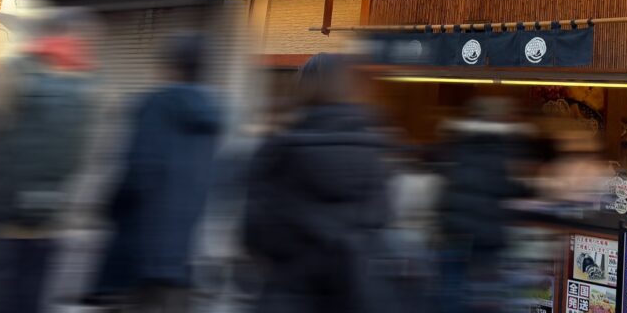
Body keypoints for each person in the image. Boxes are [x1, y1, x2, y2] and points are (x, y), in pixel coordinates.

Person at [242, 53, 396, 313]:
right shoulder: (373, 153)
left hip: (288, 296)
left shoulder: (280, 150)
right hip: (351, 295)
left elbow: (255, 233)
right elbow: (381, 219)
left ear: (302, 88)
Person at [88, 34, 224, 312]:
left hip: (141, 247)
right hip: (183, 251)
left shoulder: (157, 105)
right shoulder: (212, 113)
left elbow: (139, 170)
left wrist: (111, 207)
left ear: (171, 66)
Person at [0, 9, 98, 313]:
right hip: (51, 218)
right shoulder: (89, 85)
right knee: (31, 296)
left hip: (3, 216)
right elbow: (90, 157)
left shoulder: (15, 72)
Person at [437, 97, 529, 313]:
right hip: (484, 233)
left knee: (452, 289)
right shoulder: (497, 149)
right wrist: (526, 189)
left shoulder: (459, 143)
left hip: (454, 228)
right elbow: (503, 186)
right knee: (485, 293)